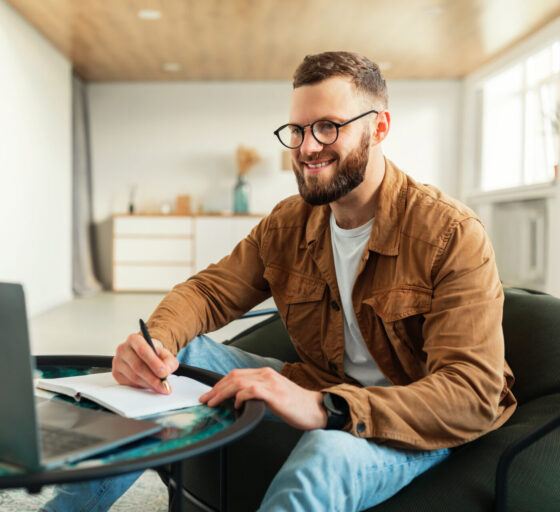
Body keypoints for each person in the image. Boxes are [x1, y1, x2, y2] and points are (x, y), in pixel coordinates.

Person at [42, 51, 516, 512]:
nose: (308, 147)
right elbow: (208, 292)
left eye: (329, 126)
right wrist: (157, 343)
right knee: (167, 363)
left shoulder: (452, 232)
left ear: (380, 127)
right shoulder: (290, 222)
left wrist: (327, 408)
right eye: (298, 130)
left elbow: (471, 392)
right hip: (320, 382)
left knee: (326, 454)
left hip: (408, 417)